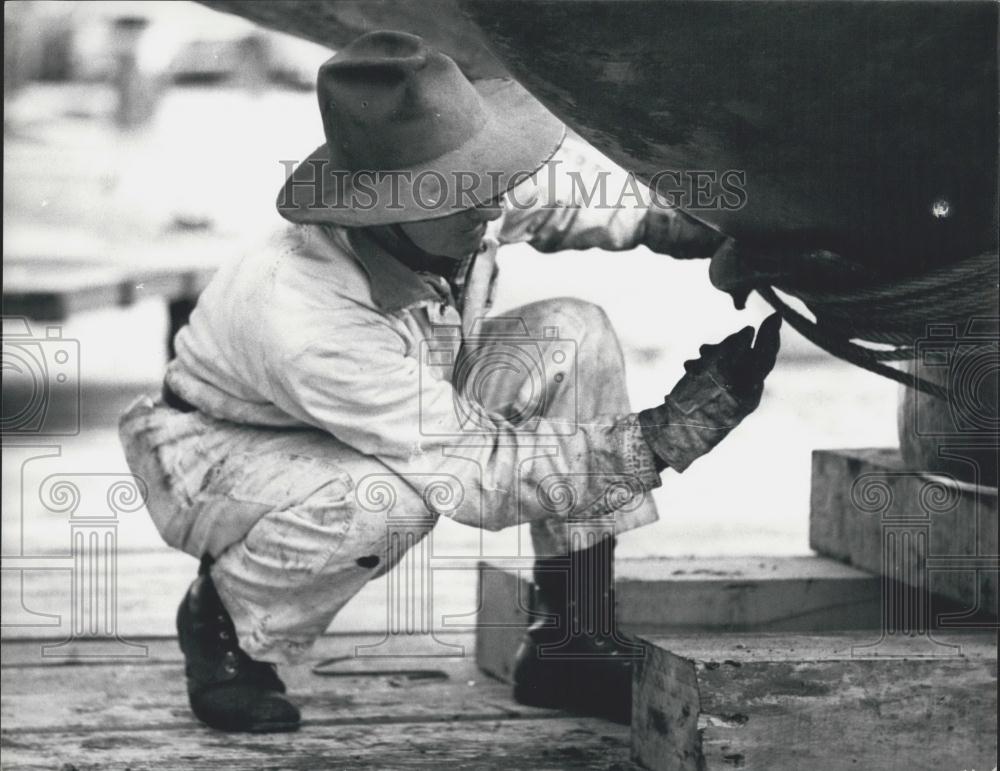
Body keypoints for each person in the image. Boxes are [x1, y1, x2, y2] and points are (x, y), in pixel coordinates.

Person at [119, 31, 781, 734]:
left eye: (490, 181)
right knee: (390, 499)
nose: (493, 207)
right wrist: (668, 433)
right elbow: (475, 469)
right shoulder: (305, 306)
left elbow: (594, 202)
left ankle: (572, 638)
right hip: (217, 451)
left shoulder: (456, 198)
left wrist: (729, 225)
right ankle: (228, 623)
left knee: (573, 331)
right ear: (379, 204)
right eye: (471, 193)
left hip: (390, 400)